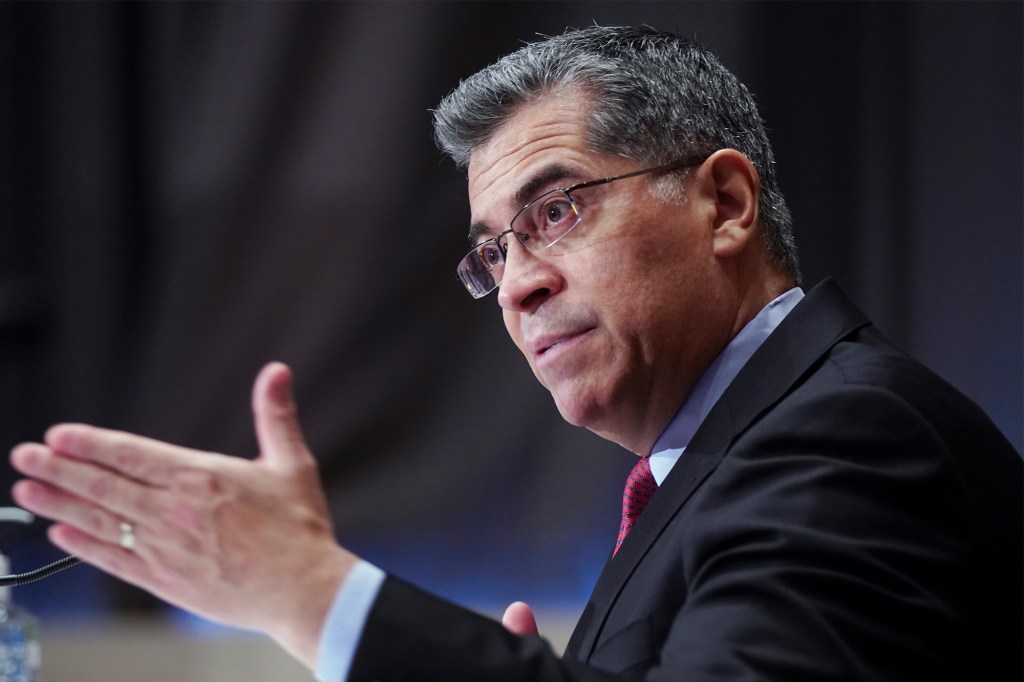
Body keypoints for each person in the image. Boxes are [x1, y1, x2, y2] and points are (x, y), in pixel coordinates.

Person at [8, 25, 1021, 682]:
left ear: (725, 203)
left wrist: (307, 591)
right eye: (493, 251)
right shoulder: (717, 465)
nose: (521, 282)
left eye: (558, 210)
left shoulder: (847, 433)